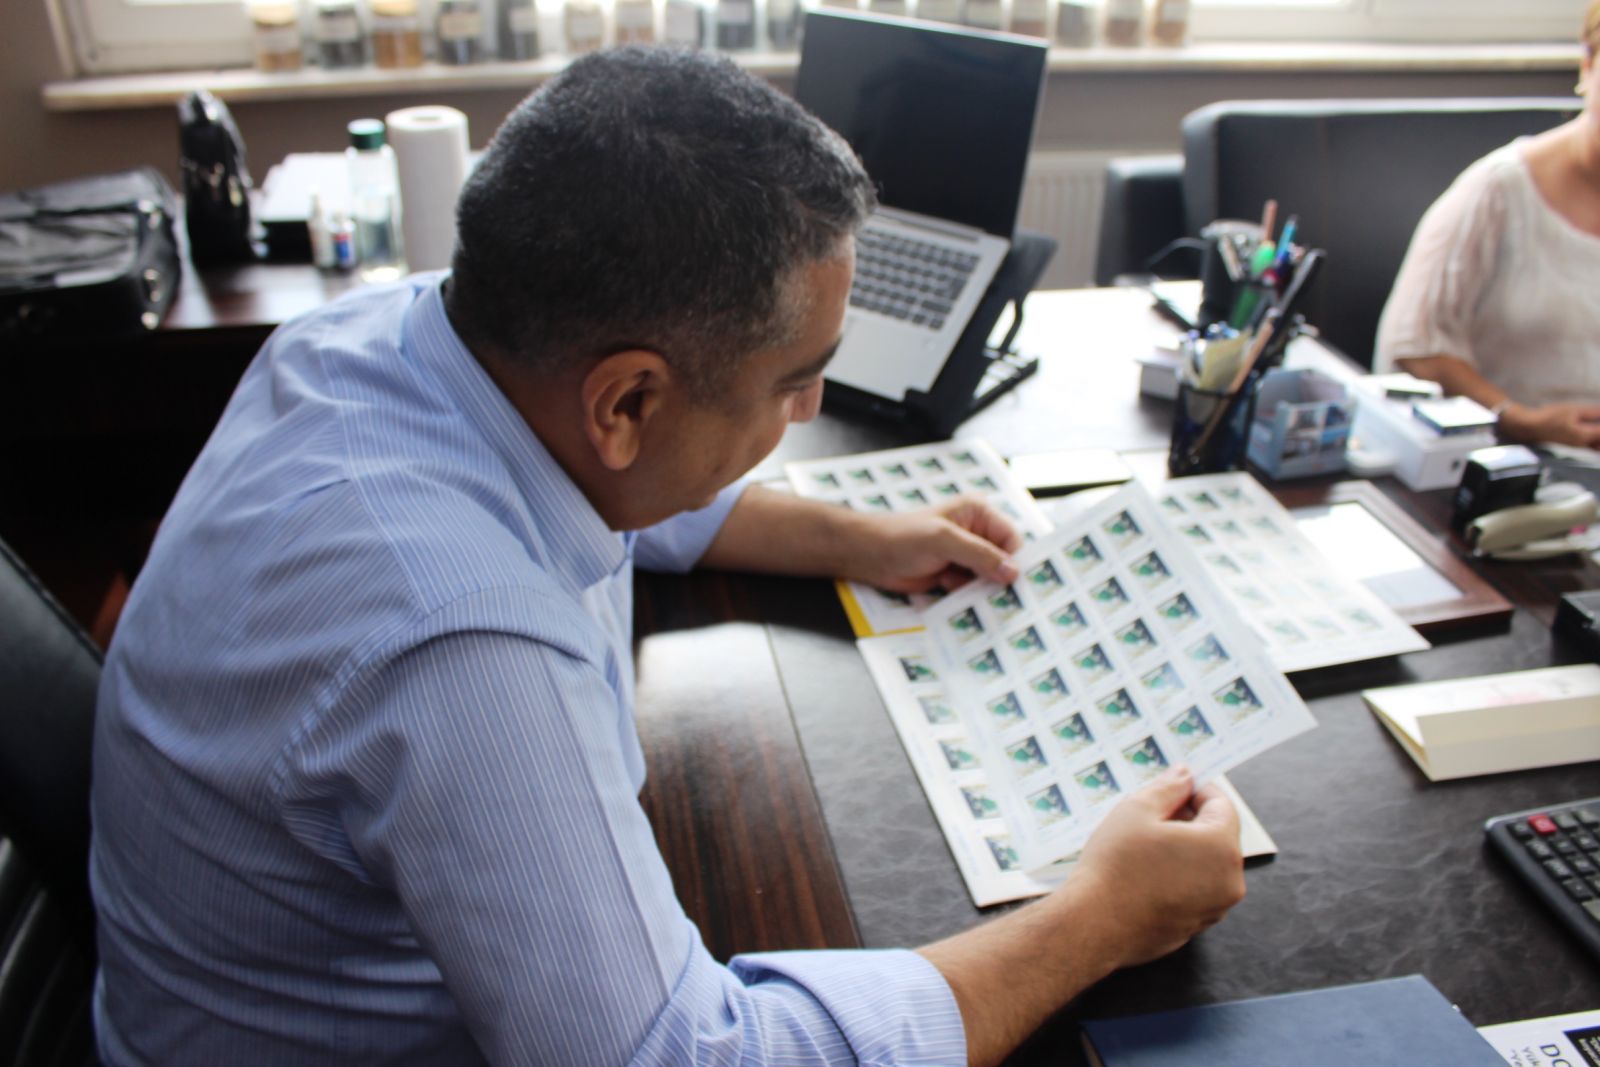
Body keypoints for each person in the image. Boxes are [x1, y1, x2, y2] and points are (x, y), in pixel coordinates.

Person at [90, 48, 1245, 1067]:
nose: (809, 409)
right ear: (628, 401)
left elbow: (620, 484)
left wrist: (856, 534)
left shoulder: (385, 338)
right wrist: (1102, 914)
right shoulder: (458, 641)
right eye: (794, 379)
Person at [1374, 0, 1600, 449]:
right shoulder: (1497, 192)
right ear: (1587, 64)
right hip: (1518, 458)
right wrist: (1521, 420)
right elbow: (1413, 350)